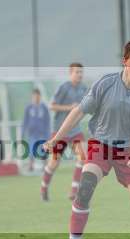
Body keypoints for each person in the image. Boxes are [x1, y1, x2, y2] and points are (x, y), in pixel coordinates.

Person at [44, 41, 130, 239]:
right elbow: (78, 112)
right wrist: (56, 139)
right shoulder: (106, 84)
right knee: (85, 187)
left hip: (127, 150)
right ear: (125, 61)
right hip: (100, 146)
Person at [41, 63, 88, 201]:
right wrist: (69, 107)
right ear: (70, 73)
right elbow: (52, 106)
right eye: (77, 72)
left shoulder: (84, 89)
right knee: (54, 163)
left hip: (76, 131)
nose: (80, 75)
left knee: (83, 157)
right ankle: (44, 187)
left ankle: (74, 191)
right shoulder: (64, 88)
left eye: (81, 72)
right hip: (60, 131)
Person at [21, 88, 50, 172]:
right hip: (32, 133)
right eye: (34, 96)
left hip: (42, 132)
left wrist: (48, 133)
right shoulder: (29, 107)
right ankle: (31, 166)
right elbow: (25, 120)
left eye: (37, 96)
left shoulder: (44, 107)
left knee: (43, 149)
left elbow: (47, 121)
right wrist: (23, 132)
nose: (36, 97)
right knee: (31, 149)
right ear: (32, 97)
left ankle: (45, 166)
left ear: (40, 96)